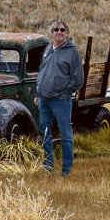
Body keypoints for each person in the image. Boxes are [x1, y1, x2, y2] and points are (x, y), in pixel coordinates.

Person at [34, 20, 84, 177]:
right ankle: (48, 164)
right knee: (45, 132)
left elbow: (78, 78)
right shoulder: (48, 48)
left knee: (65, 133)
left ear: (67, 33)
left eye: (62, 29)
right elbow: (42, 71)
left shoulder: (72, 52)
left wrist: (65, 94)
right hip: (44, 100)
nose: (59, 32)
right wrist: (38, 93)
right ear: (52, 32)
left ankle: (66, 169)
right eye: (56, 29)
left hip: (60, 101)